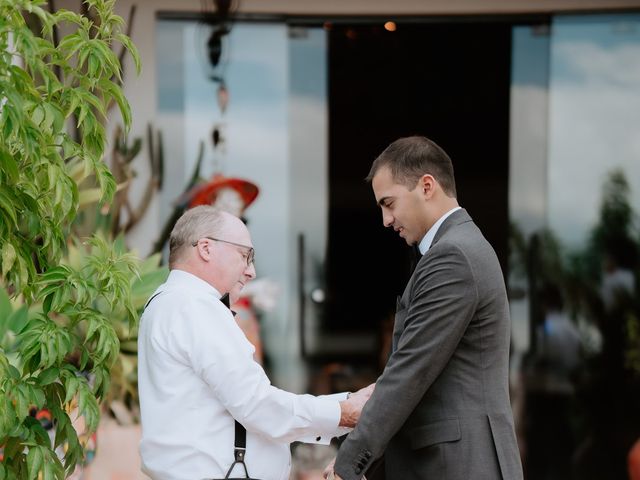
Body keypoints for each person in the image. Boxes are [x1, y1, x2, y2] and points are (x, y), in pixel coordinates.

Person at [325, 136, 523, 480]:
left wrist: (348, 465)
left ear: (427, 186)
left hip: (459, 465)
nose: (386, 220)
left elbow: (410, 371)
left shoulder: (453, 255)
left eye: (389, 203)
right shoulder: (456, 248)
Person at [138, 206, 373, 480]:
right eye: (245, 255)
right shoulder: (195, 306)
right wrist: (343, 412)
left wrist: (343, 405)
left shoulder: (169, 301)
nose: (251, 271)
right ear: (205, 248)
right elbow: (257, 405)